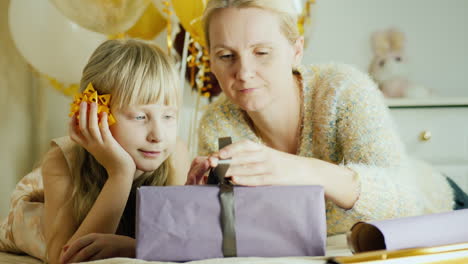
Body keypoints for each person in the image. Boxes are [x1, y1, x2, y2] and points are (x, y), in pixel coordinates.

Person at [186, 0, 467, 235]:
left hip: (441, 214)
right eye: (225, 56)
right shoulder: (217, 123)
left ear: (296, 51)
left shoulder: (343, 89)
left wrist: (297, 169)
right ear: (211, 60)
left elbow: (405, 201)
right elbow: (248, 230)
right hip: (349, 244)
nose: (244, 72)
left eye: (261, 52)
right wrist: (202, 205)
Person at [0, 39, 190, 264]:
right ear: (96, 113)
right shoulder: (61, 160)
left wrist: (133, 247)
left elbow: (179, 241)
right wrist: (121, 173)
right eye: (140, 117)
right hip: (34, 214)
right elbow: (64, 258)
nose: (157, 135)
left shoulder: (174, 152)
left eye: (168, 116)